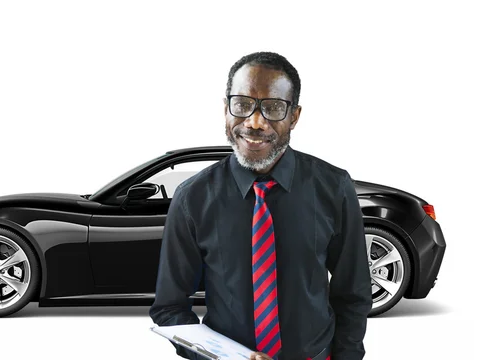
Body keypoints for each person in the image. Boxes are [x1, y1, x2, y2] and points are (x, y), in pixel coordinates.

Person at [149, 51, 372, 360]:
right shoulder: (192, 198)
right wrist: (222, 357)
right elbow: (170, 307)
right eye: (242, 105)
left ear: (294, 116)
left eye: (273, 108)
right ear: (225, 110)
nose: (255, 122)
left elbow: (353, 295)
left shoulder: (334, 188)